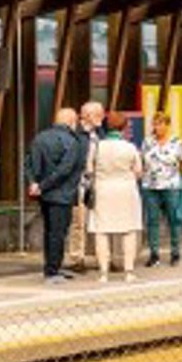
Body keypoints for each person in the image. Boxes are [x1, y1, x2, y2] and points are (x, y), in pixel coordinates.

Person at [24, 108, 87, 285]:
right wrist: (42, 186)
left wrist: (34, 183)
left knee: (50, 231)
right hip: (63, 194)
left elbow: (28, 162)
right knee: (58, 233)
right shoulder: (71, 141)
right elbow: (65, 170)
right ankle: (52, 271)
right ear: (71, 121)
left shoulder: (40, 137)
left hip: (44, 195)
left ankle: (52, 267)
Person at [88, 112, 143, 283]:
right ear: (124, 127)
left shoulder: (97, 147)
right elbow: (139, 172)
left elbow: (89, 170)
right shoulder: (130, 147)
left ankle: (103, 273)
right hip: (126, 190)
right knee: (129, 230)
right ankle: (129, 271)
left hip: (103, 190)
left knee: (101, 230)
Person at [140, 112, 182, 267]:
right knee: (152, 220)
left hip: (171, 186)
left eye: (161, 124)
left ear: (167, 125)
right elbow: (142, 161)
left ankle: (175, 252)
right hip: (151, 186)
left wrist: (178, 173)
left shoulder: (176, 142)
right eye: (155, 124)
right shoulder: (147, 142)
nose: (157, 127)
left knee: (174, 220)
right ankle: (154, 254)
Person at [67, 100, 105, 272]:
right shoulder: (76, 133)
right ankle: (77, 258)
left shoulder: (100, 133)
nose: (101, 117)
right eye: (98, 114)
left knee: (99, 221)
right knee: (78, 222)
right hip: (80, 183)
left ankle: (100, 256)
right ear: (87, 116)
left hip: (98, 182)